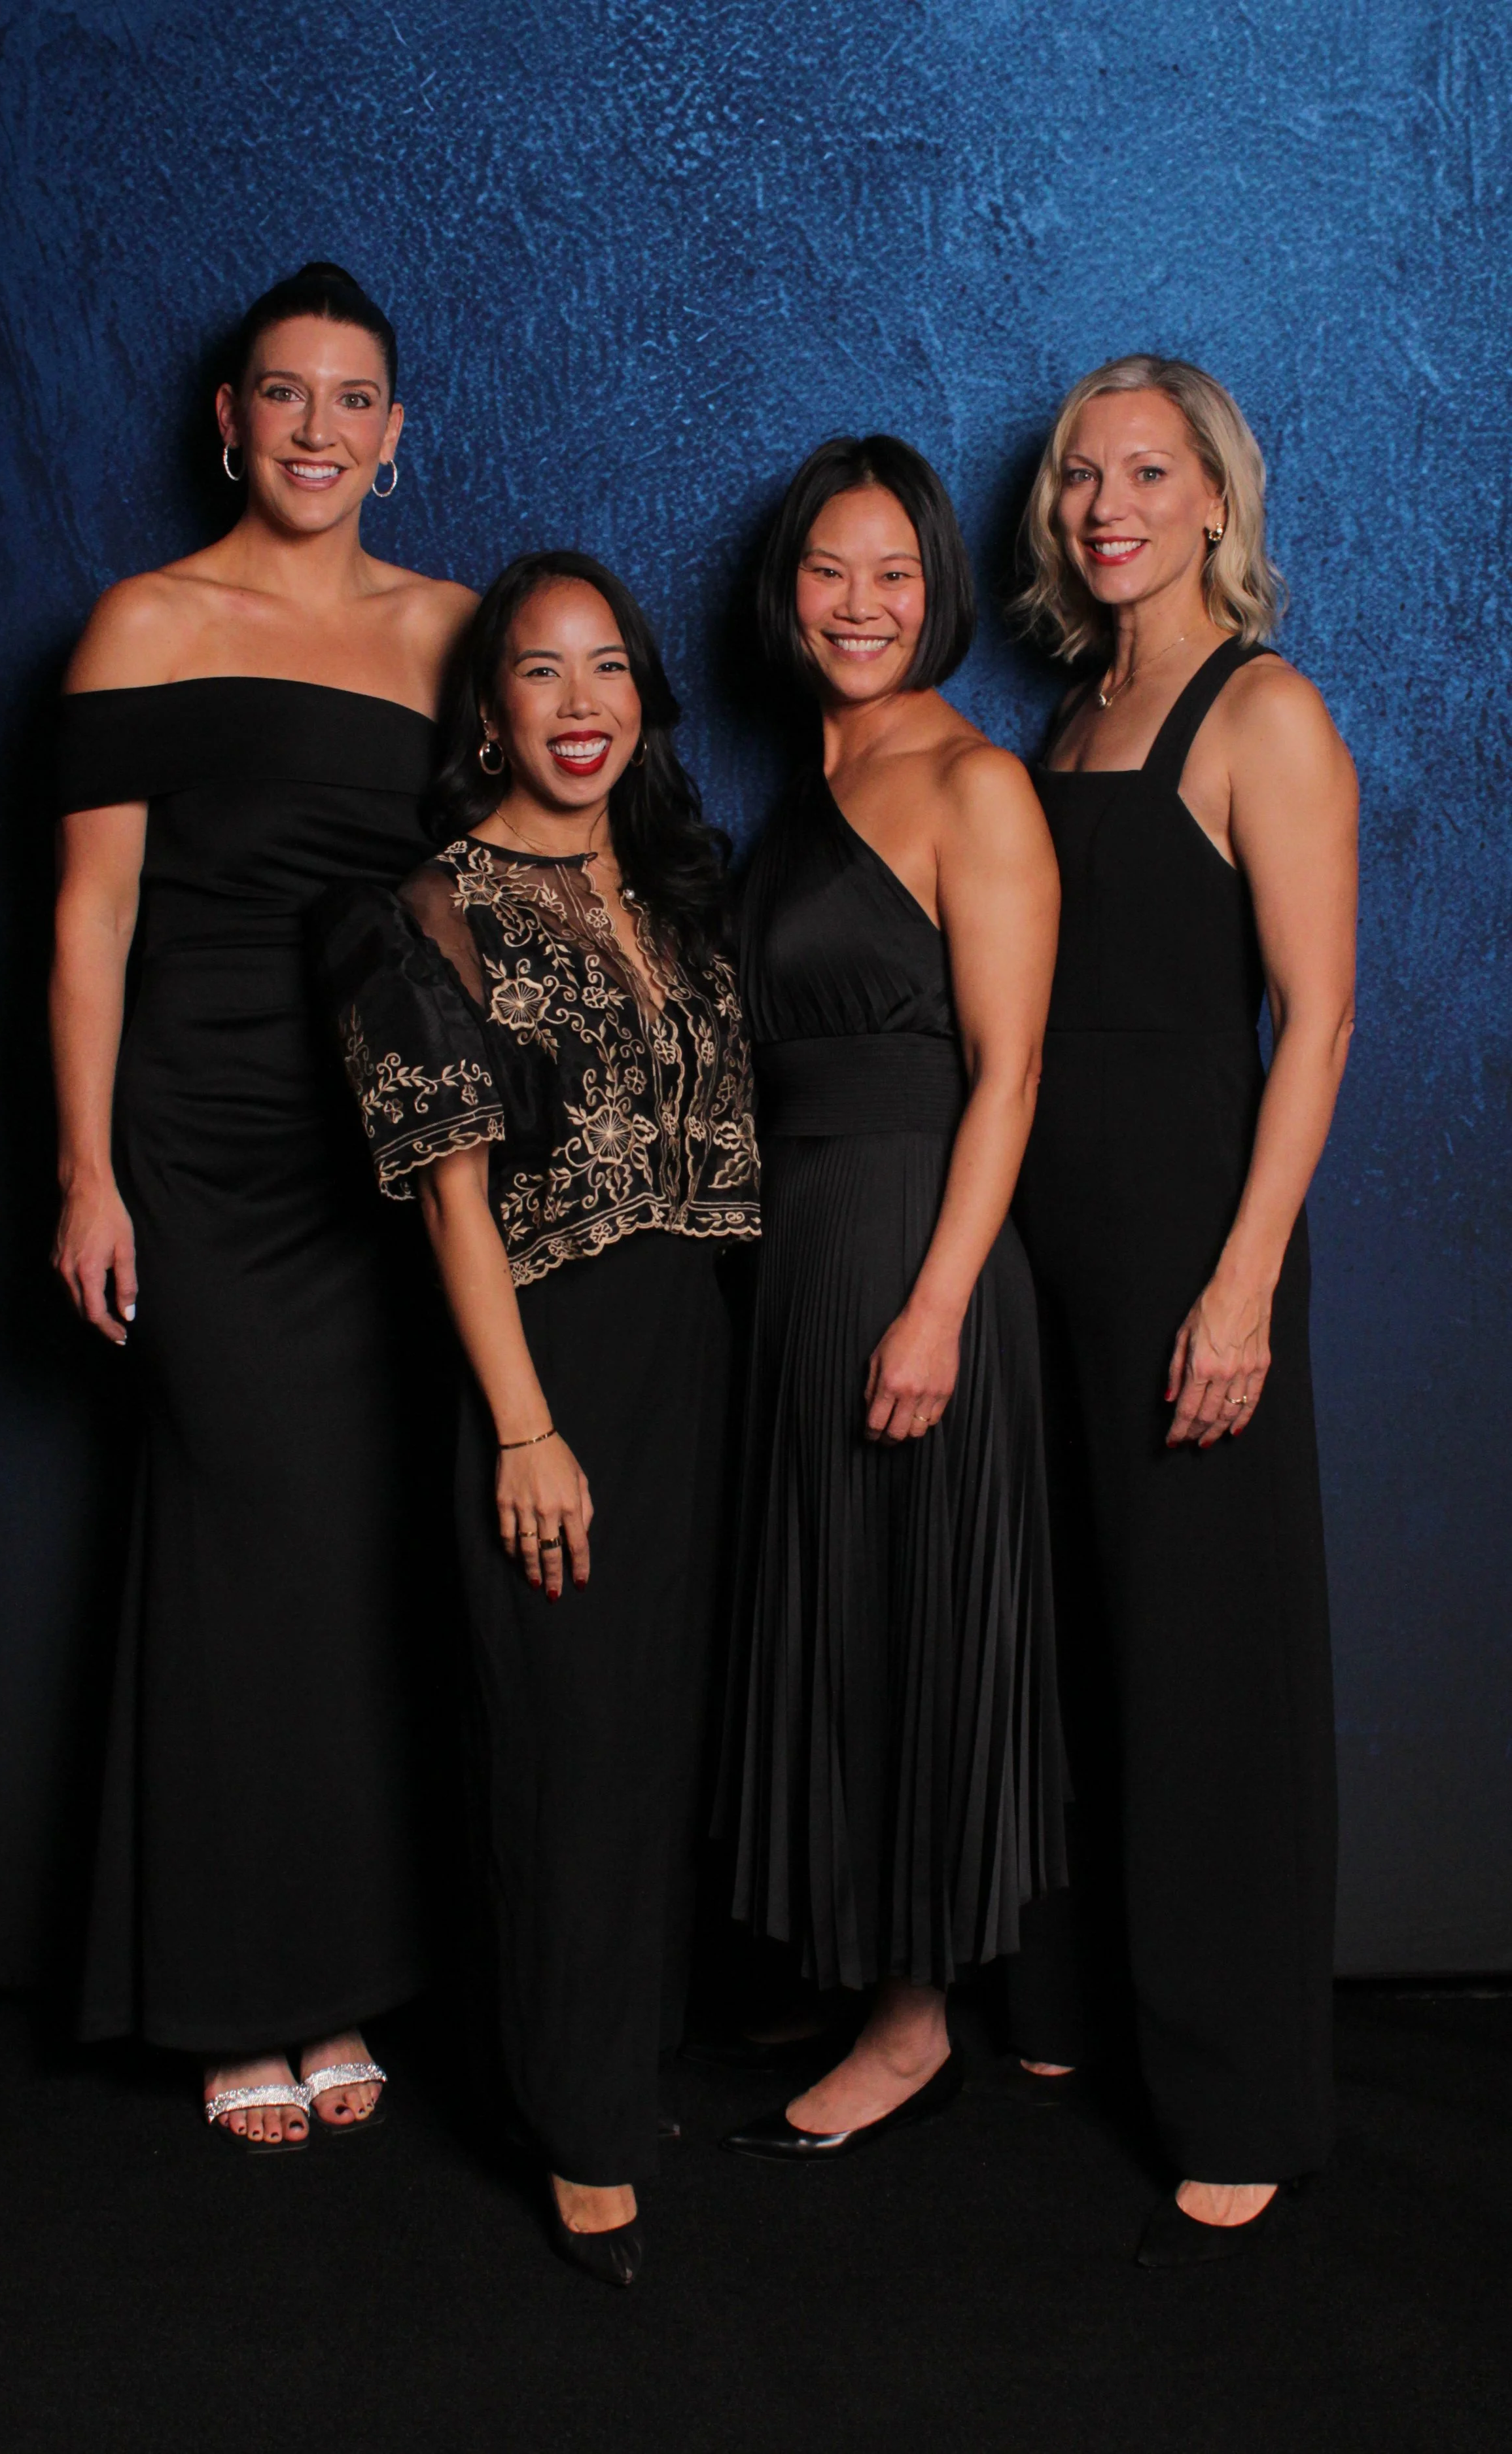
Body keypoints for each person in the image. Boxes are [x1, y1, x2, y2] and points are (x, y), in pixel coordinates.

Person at [50, 263, 474, 2148]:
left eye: (353, 397)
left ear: (400, 428)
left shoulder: (460, 631)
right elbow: (88, 921)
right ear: (229, 418)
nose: (317, 427)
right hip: (202, 1147)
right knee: (236, 1553)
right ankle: (237, 1998)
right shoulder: (146, 621)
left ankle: (353, 1978)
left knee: (365, 1562)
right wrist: (86, 1168)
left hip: (385, 1151)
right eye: (283, 394)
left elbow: (500, 891)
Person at [317, 551, 760, 2283]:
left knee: (655, 1737)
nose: (577, 707)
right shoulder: (419, 908)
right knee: (564, 1741)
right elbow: (445, 1187)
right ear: (486, 702)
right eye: (538, 673)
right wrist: (520, 1423)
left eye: (608, 672)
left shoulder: (678, 892)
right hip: (546, 1354)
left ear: (642, 695)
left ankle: (621, 2057)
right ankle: (575, 2128)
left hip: (697, 1347)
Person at [1006, 355, 1358, 2265]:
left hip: (1187, 1242)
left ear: (1212, 495)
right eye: (1079, 474)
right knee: (1071, 1627)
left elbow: (1314, 1021)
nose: (1103, 502)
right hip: (1047, 1240)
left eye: (1144, 470)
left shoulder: (1258, 711)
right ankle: (1070, 1997)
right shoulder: (1070, 718)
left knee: (1205, 1653)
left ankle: (1239, 2087)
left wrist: (1237, 1285)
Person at [717, 436, 1067, 2162]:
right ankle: (837, 1942)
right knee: (823, 1613)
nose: (858, 607)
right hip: (795, 1258)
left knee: (915, 1620)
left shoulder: (972, 783)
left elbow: (1006, 1075)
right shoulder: (802, 787)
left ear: (934, 593)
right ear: (787, 591)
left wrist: (933, 1305)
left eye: (893, 576)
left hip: (917, 1251)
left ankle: (918, 2009)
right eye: (827, 572)